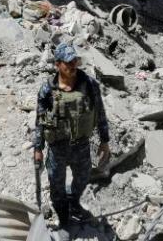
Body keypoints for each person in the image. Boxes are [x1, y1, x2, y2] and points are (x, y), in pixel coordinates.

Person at [34, 43, 110, 229]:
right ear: (57, 64)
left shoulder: (89, 84)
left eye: (74, 60)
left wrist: (104, 141)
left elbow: (99, 112)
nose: (72, 65)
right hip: (57, 148)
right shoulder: (47, 89)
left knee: (83, 178)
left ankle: (73, 202)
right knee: (56, 185)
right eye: (67, 62)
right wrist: (38, 148)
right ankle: (63, 213)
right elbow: (40, 121)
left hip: (81, 145)